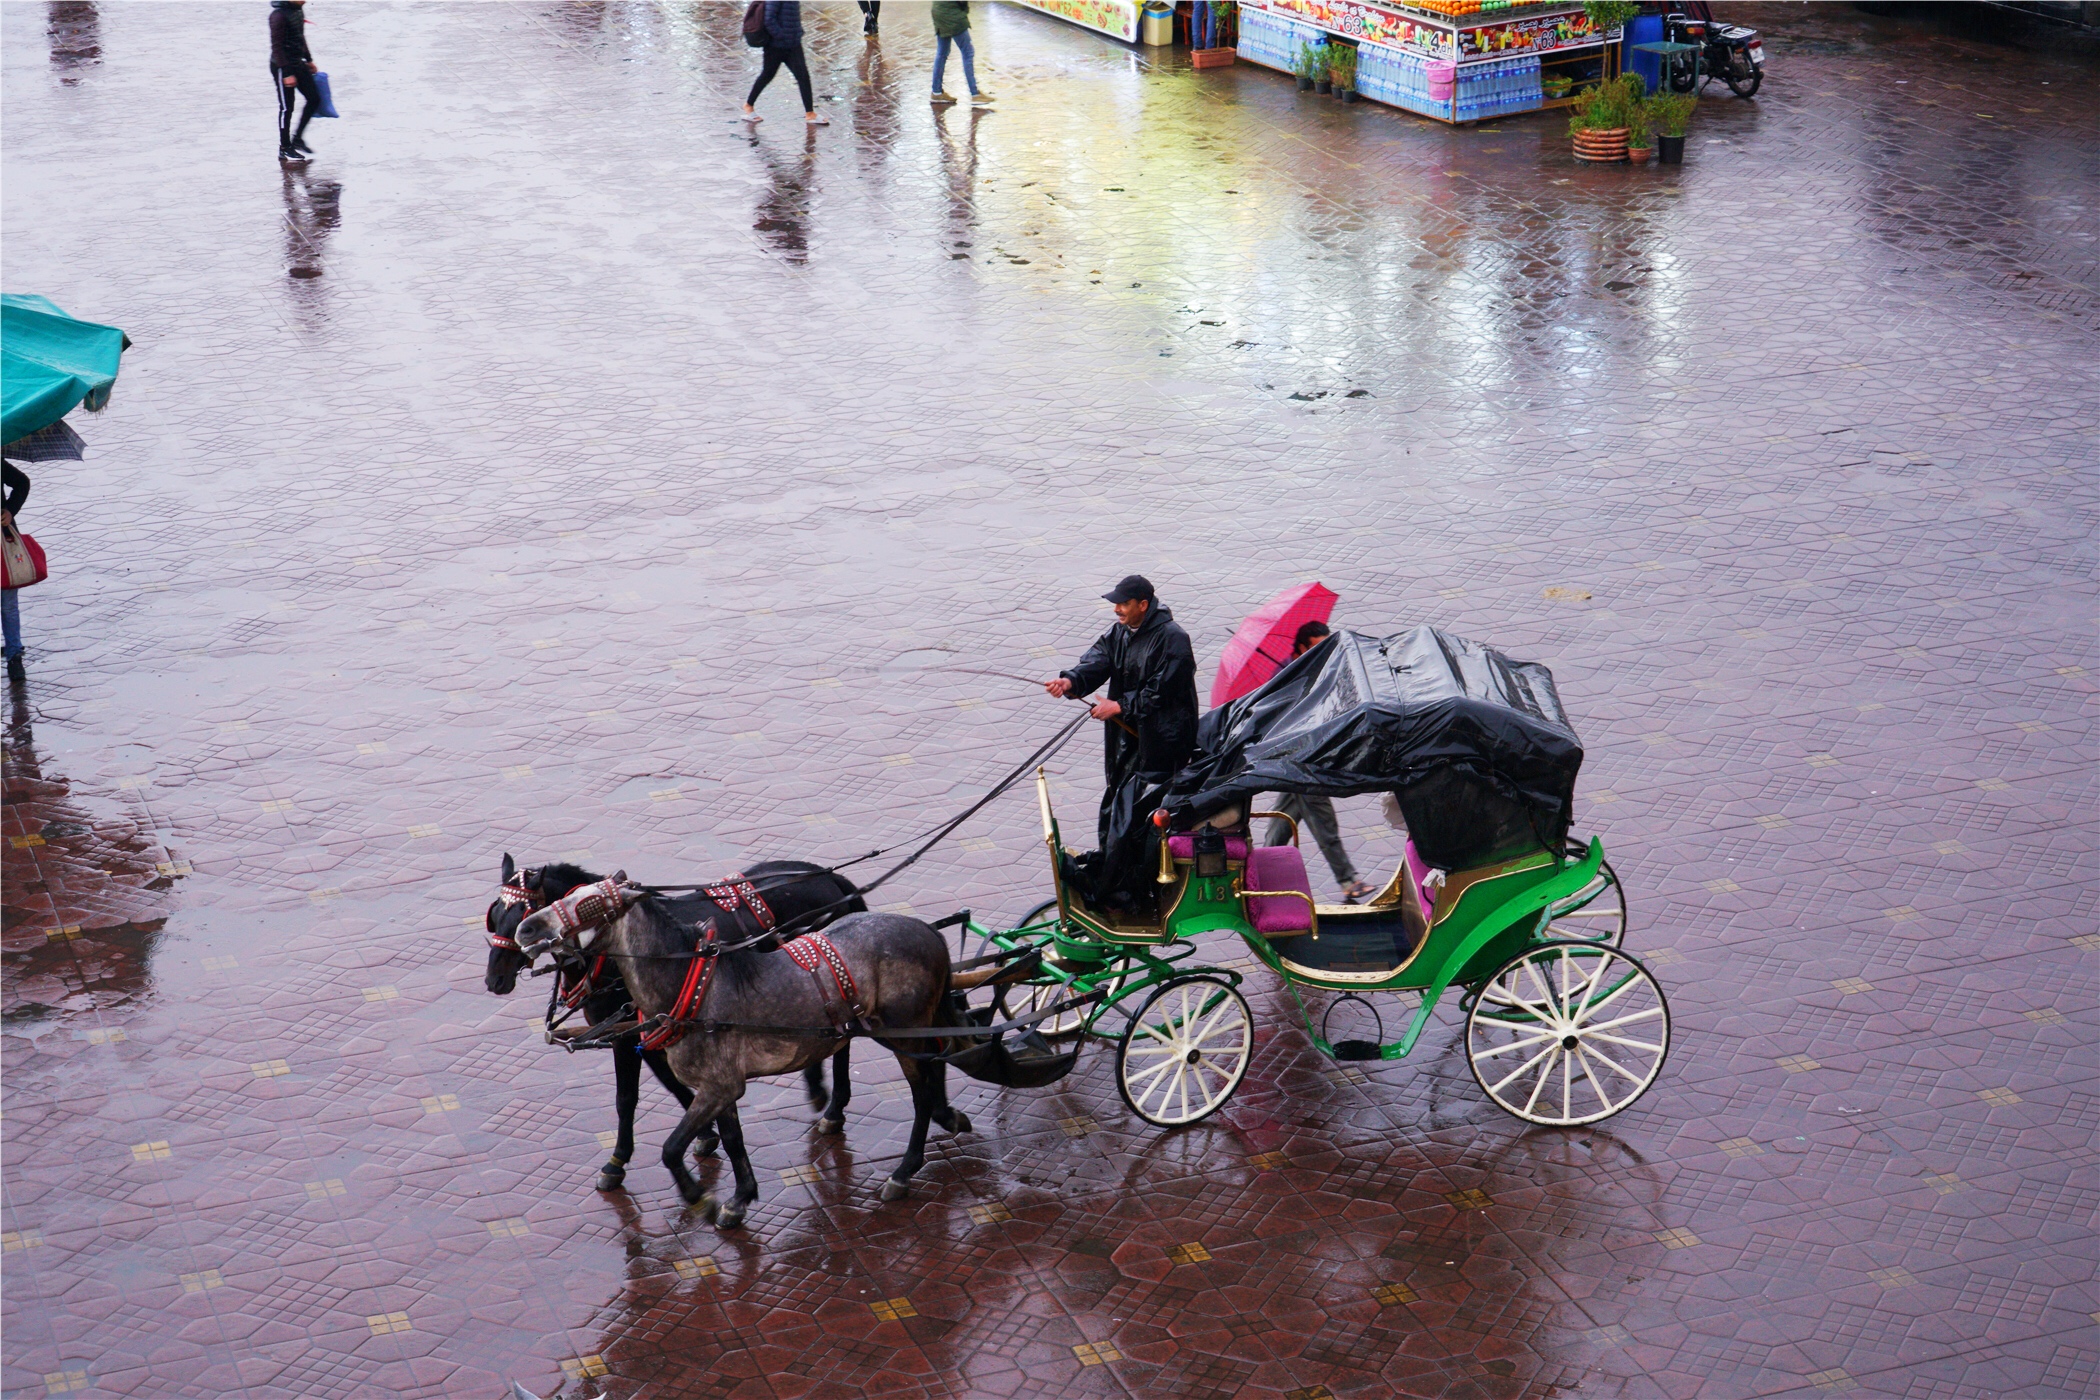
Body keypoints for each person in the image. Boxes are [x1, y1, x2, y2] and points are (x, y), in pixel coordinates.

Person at [1045, 575, 1197, 911]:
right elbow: (1097, 659)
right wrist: (1070, 680)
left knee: (1131, 817)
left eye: (1124, 604)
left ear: (1143, 605)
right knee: (1113, 805)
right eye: (1116, 604)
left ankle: (1123, 889)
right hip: (1127, 740)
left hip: (1162, 746)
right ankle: (1112, 873)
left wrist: (1120, 706)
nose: (1117, 609)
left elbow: (1163, 691)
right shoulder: (1121, 632)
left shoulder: (1173, 639)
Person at [1260, 622, 1377, 902]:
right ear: (1302, 647)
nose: (1326, 651)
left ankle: (1260, 868)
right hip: (1303, 762)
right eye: (1318, 646)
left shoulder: (1316, 670)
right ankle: (1348, 879)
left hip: (1302, 760)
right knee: (1323, 821)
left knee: (1284, 817)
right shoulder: (1287, 678)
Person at [743, 2, 829, 126]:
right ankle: (748, 105)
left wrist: (798, 32)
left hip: (793, 44)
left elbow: (792, 15)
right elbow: (769, 19)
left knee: (803, 76)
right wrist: (782, 36)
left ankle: (810, 113)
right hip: (776, 46)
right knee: (767, 75)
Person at [269, 0, 321, 163]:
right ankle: (284, 148)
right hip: (282, 66)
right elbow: (277, 47)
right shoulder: (278, 16)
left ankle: (297, 139)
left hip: (298, 63)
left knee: (314, 99)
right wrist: (286, 73)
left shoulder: (297, 11)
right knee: (287, 107)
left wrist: (309, 59)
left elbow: (300, 36)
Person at [930, 1, 993, 106]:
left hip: (938, 10)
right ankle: (975, 94)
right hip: (952, 15)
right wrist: (964, 11)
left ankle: (936, 92)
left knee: (942, 52)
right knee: (968, 52)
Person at [2, 463, 30, 668]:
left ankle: (14, 655)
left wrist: (10, 511)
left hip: (3, 543)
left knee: (8, 604)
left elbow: (22, 482)